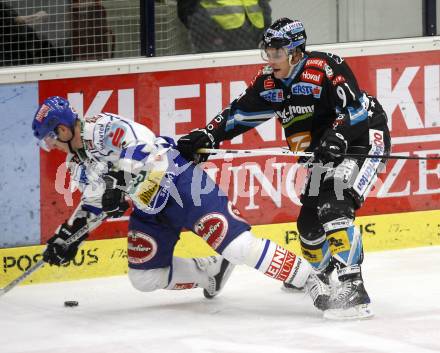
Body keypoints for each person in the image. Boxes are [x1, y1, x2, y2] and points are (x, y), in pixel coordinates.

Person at [177, 18, 392, 320]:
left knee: (334, 204)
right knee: (309, 226)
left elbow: (355, 110)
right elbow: (238, 114)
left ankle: (353, 287)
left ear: (295, 52)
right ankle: (326, 274)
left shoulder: (325, 67)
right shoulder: (269, 82)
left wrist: (337, 137)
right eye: (267, 52)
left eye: (276, 52)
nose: (270, 59)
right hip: (323, 151)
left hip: (363, 139)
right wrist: (209, 135)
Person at [31, 96, 330, 312]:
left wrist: (116, 183)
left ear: (63, 129)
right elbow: (95, 204)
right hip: (150, 208)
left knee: (238, 247)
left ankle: (309, 277)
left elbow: (148, 148)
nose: (51, 147)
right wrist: (68, 236)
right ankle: (209, 273)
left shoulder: (102, 127)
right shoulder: (76, 165)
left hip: (181, 185)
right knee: (144, 277)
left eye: (50, 139)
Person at [177, 0, 271, 53]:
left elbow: (262, 4)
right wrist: (204, 29)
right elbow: (186, 8)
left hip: (253, 35)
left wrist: (264, 31)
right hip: (214, 38)